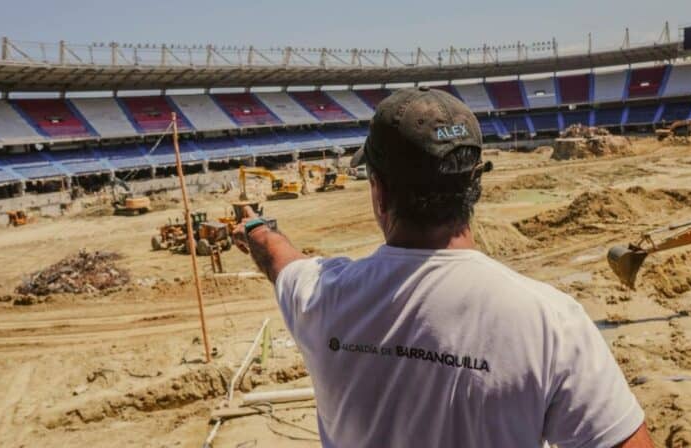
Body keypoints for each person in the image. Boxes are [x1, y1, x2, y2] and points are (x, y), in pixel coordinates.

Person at [233, 87, 654, 448]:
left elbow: (277, 255)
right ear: (475, 184)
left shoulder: (320, 296)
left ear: (378, 191)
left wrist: (254, 227)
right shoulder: (551, 323)